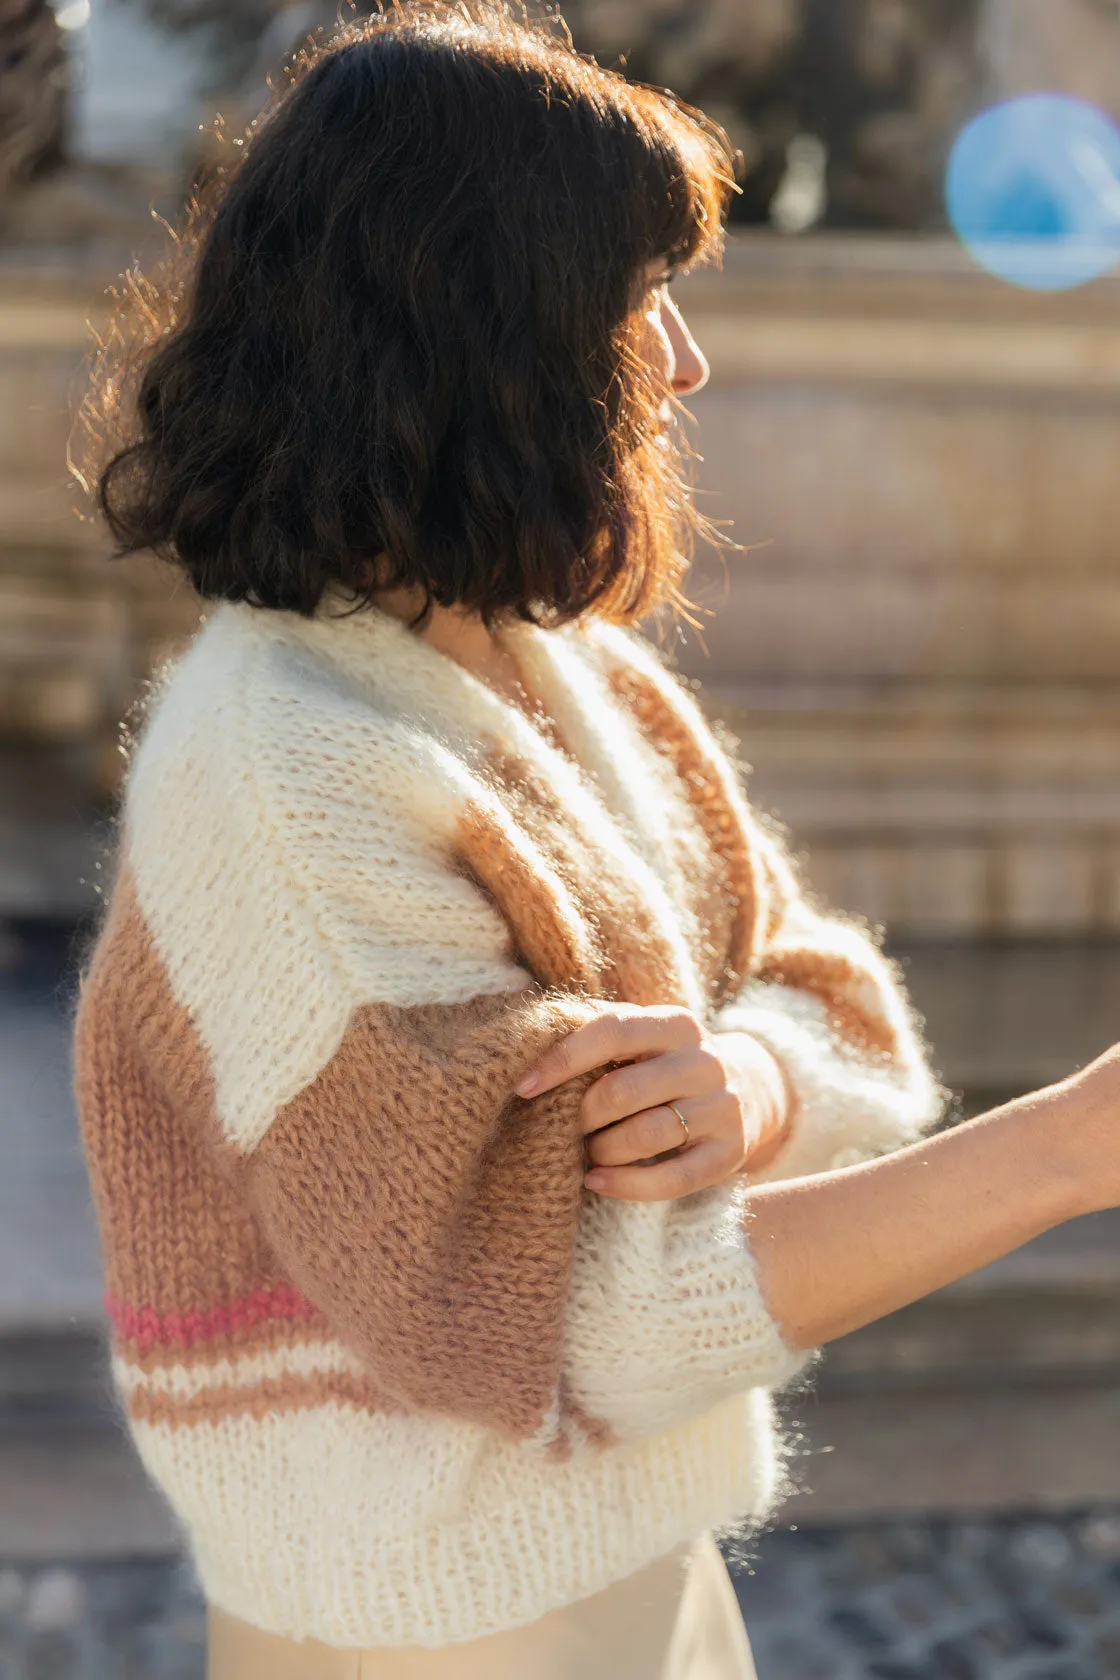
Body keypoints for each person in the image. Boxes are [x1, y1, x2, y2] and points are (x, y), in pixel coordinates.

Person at [71, 7, 1120, 1678]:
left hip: (635, 1561)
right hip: (429, 1624)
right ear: (483, 333)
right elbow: (585, 1319)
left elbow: (831, 999)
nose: (684, 363)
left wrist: (751, 1088)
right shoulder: (284, 766)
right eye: (639, 302)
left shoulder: (565, 674)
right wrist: (1073, 1149)